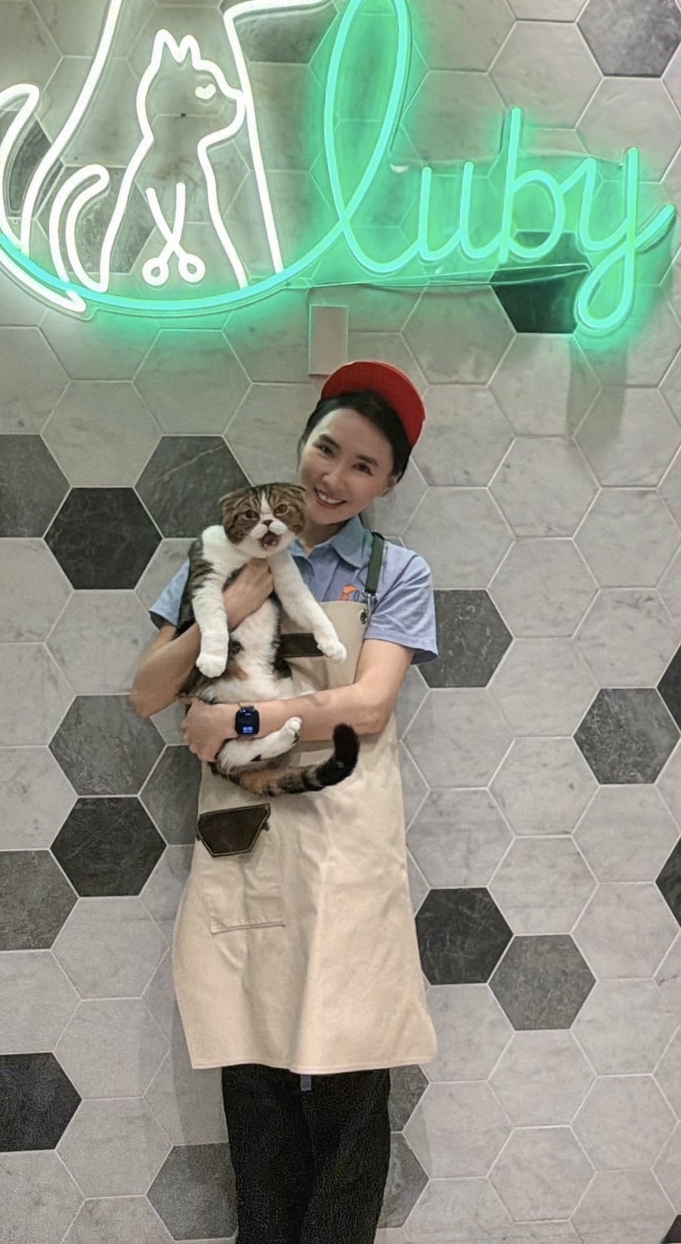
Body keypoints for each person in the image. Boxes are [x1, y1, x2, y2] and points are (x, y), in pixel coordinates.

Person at [131, 361, 438, 1244]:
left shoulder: (393, 572)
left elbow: (369, 706)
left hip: (345, 850)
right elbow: (148, 691)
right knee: (255, 1075)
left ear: (389, 482)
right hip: (249, 846)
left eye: (363, 465)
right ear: (303, 440)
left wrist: (242, 716)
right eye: (326, 448)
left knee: (350, 1078)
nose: (334, 477)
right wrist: (232, 603)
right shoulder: (219, 554)